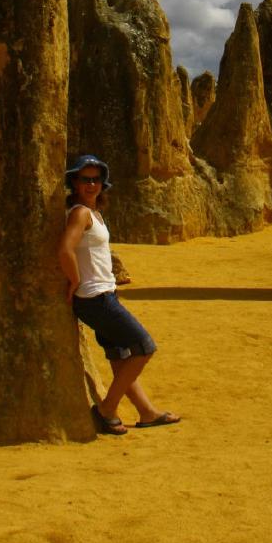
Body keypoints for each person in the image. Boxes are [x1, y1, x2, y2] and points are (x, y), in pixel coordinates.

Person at [58, 153, 180, 436]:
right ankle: (105, 409)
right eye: (85, 179)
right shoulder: (79, 213)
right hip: (95, 298)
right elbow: (65, 249)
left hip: (104, 293)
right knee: (144, 346)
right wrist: (75, 280)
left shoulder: (94, 213)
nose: (91, 185)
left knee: (120, 356)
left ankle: (146, 412)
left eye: (96, 179)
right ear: (74, 183)